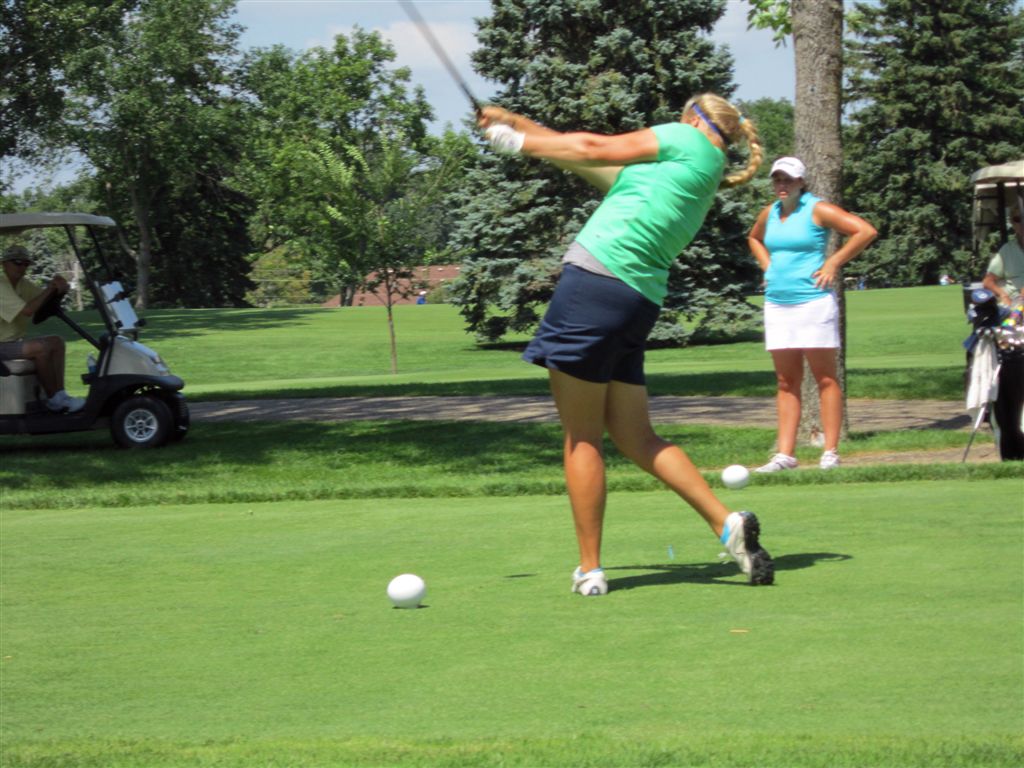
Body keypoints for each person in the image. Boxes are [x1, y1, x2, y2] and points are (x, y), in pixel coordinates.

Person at [478, 93, 773, 595]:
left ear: (694, 118)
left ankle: (590, 568)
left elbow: (593, 147)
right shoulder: (699, 170)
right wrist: (515, 123)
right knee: (637, 438)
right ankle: (726, 524)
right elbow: (580, 158)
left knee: (582, 437)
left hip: (593, 286)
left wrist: (517, 142)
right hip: (634, 301)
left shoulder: (684, 139)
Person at [747, 157, 877, 473]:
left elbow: (864, 231)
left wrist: (833, 263)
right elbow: (754, 238)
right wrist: (768, 266)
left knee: (825, 378)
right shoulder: (770, 212)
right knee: (786, 381)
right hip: (778, 304)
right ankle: (785, 455)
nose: (782, 185)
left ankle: (830, 452)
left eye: (788, 179)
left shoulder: (817, 209)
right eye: (778, 179)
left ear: (801, 182)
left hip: (813, 302)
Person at [0, 245, 85, 413]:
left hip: (12, 343)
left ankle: (60, 395)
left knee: (57, 342)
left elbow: (43, 299)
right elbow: (28, 310)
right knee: (41, 348)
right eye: (17, 262)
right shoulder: (1, 286)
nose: (22, 267)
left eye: (26, 264)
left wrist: (60, 289)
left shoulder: (23, 285)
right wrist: (51, 288)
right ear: (4, 264)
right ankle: (54, 399)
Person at [982, 208, 1024, 306]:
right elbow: (987, 282)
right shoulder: (1007, 250)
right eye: (1018, 219)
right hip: (1014, 305)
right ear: (1012, 223)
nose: (1022, 223)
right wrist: (1003, 295)